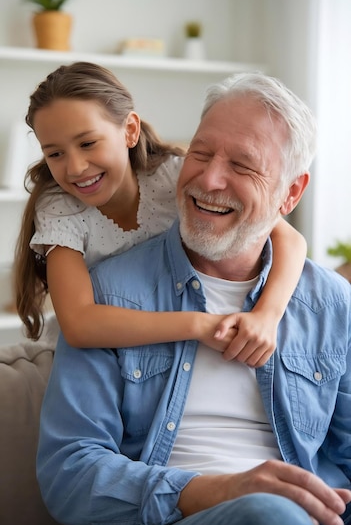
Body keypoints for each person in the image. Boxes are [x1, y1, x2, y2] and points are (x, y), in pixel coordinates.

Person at [36, 71, 351, 525]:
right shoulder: (108, 292)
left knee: (286, 523)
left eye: (243, 165)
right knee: (268, 523)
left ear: (290, 194)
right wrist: (214, 490)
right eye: (201, 154)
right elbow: (69, 474)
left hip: (310, 523)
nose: (207, 180)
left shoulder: (326, 302)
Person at [13, 62, 307, 367]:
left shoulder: (172, 176)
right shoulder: (60, 207)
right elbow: (79, 324)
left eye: (88, 143)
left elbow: (290, 239)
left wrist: (267, 315)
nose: (75, 167)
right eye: (55, 154)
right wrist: (198, 325)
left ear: (129, 131)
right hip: (96, 357)